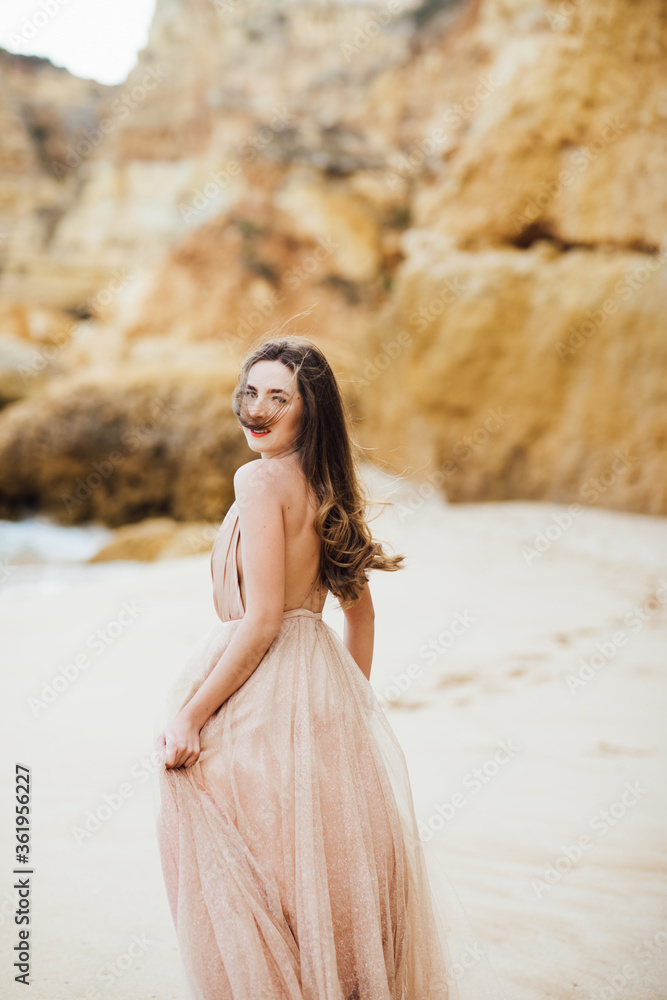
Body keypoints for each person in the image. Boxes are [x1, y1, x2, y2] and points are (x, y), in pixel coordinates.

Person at [153, 337, 507, 1000]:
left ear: (308, 412)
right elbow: (361, 618)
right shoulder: (326, 489)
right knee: (314, 877)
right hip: (317, 687)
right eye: (249, 392)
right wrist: (343, 709)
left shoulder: (256, 480)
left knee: (210, 818)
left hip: (263, 683)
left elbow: (260, 622)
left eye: (277, 398)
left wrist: (188, 713)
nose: (256, 410)